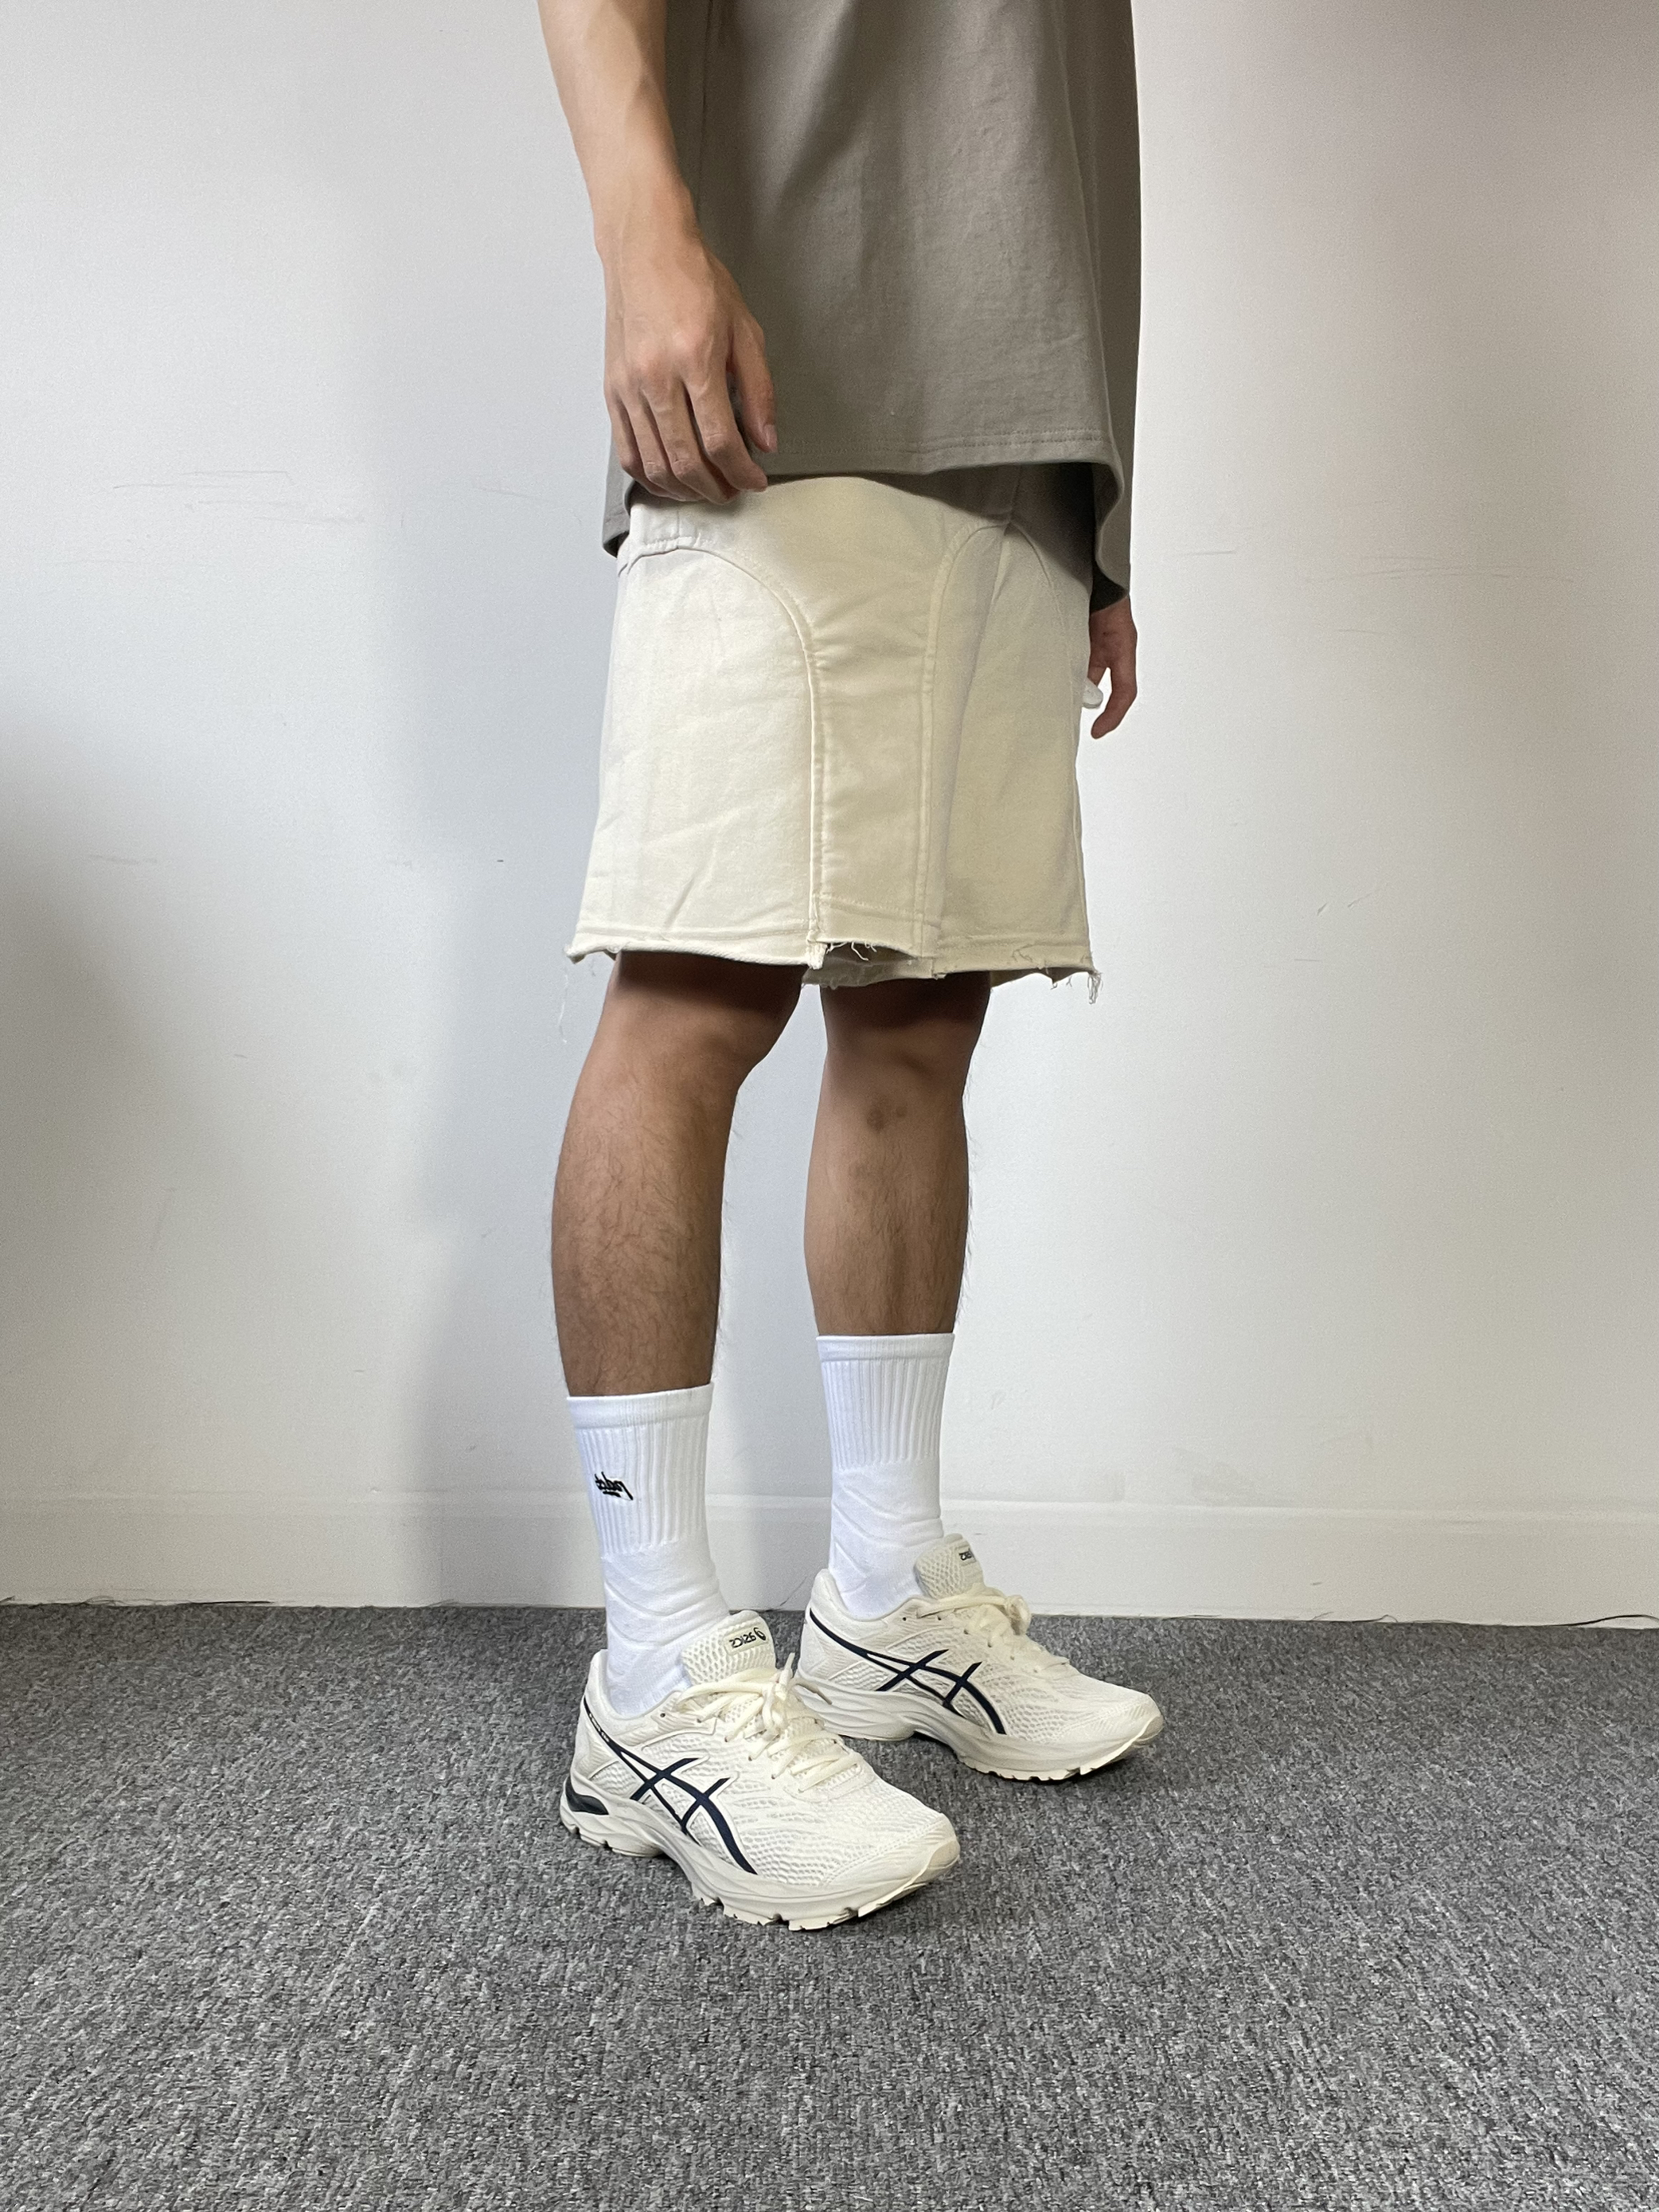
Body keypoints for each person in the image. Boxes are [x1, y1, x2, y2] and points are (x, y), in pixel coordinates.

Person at [537, 0, 1163, 1930]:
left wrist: (1095, 512)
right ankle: (654, 1677)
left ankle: (885, 1601)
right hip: (779, 368)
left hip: (1025, 424)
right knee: (696, 991)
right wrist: (644, 237)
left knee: (918, 1020)